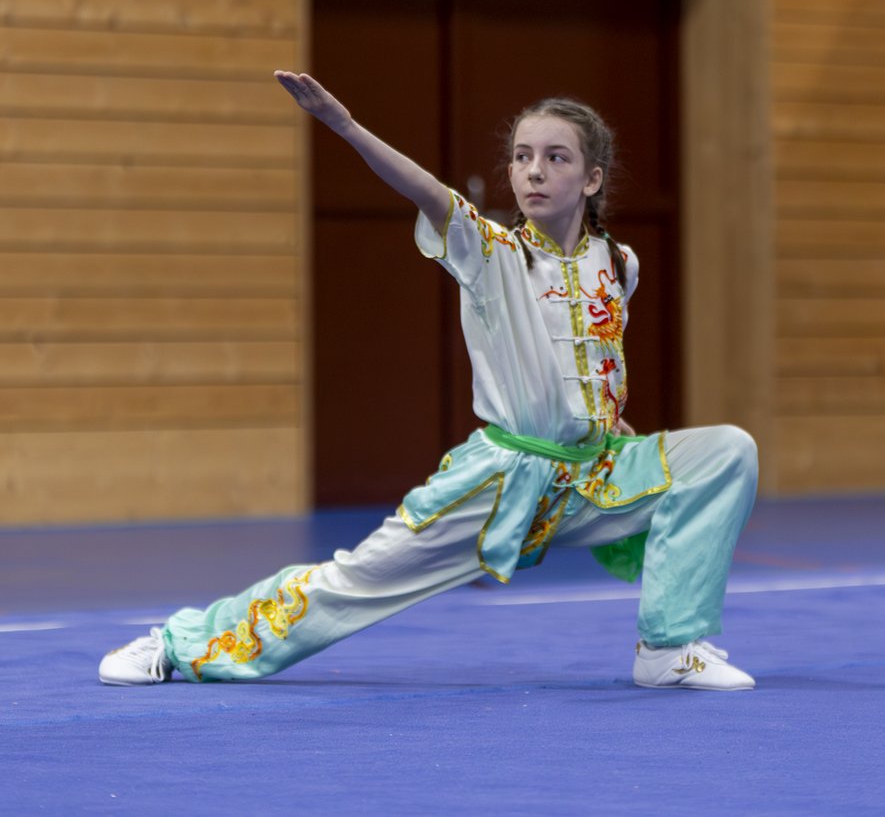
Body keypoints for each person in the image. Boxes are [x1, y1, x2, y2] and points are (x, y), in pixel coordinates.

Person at [99, 71, 758, 691]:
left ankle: (668, 649)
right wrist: (347, 127)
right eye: (522, 156)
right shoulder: (491, 251)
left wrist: (604, 421)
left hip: (592, 477)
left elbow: (594, 357)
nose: (534, 170)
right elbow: (428, 191)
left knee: (726, 450)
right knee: (355, 581)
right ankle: (182, 644)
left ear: (591, 179)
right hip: (500, 483)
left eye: (556, 157)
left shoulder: (619, 263)